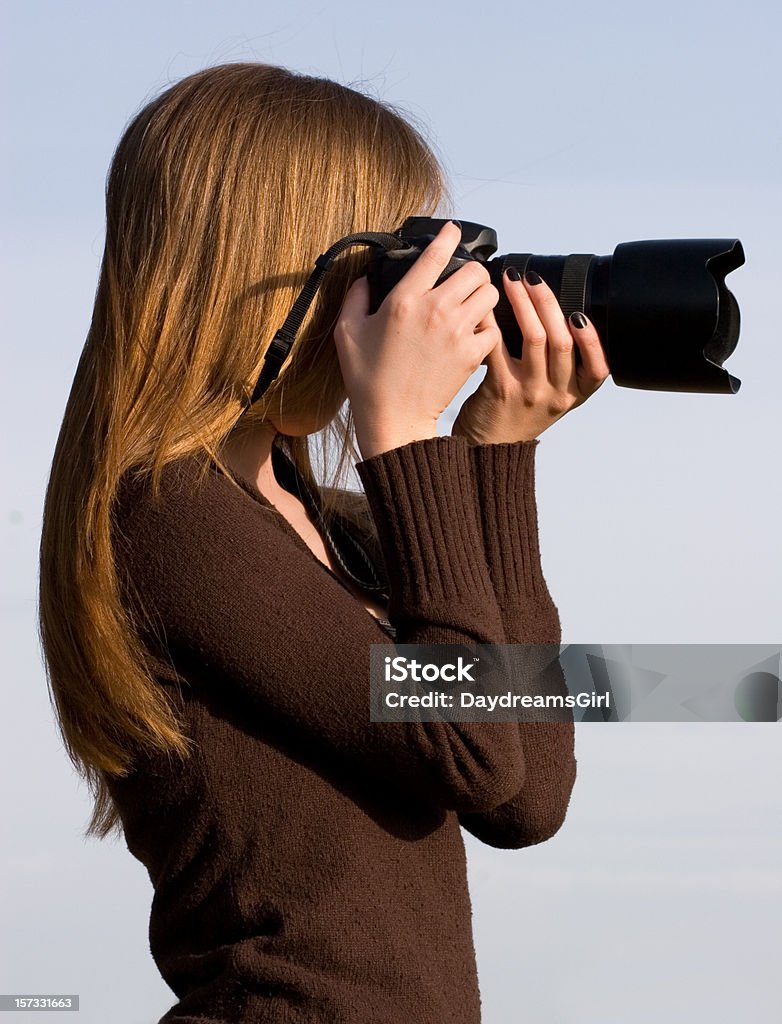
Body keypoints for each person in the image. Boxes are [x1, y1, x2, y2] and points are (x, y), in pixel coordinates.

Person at [38, 62, 609, 1023]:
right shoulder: (170, 517)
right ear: (268, 268)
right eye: (378, 271)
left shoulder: (337, 527)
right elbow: (469, 752)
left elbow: (525, 795)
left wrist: (495, 456)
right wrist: (403, 431)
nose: (398, 309)